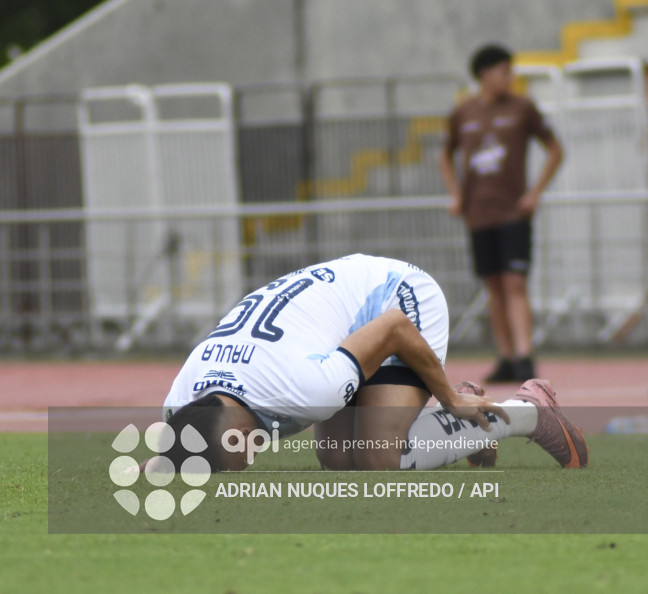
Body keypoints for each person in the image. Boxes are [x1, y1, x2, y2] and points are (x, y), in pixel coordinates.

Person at [161, 254, 587, 472]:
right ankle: (461, 429)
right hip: (333, 331)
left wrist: (449, 398)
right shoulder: (181, 405)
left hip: (394, 299)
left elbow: (395, 327)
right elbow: (180, 452)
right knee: (337, 458)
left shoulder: (305, 389)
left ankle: (528, 411)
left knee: (377, 458)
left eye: (237, 459)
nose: (245, 463)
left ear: (237, 433)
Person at [438, 44, 564, 383]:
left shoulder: (523, 107)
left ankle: (525, 355)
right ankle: (505, 356)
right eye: (503, 71)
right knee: (493, 285)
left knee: (515, 282)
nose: (510, 77)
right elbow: (444, 155)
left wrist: (534, 193)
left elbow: (555, 149)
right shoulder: (463, 112)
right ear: (484, 74)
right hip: (479, 214)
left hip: (513, 212)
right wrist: (456, 195)